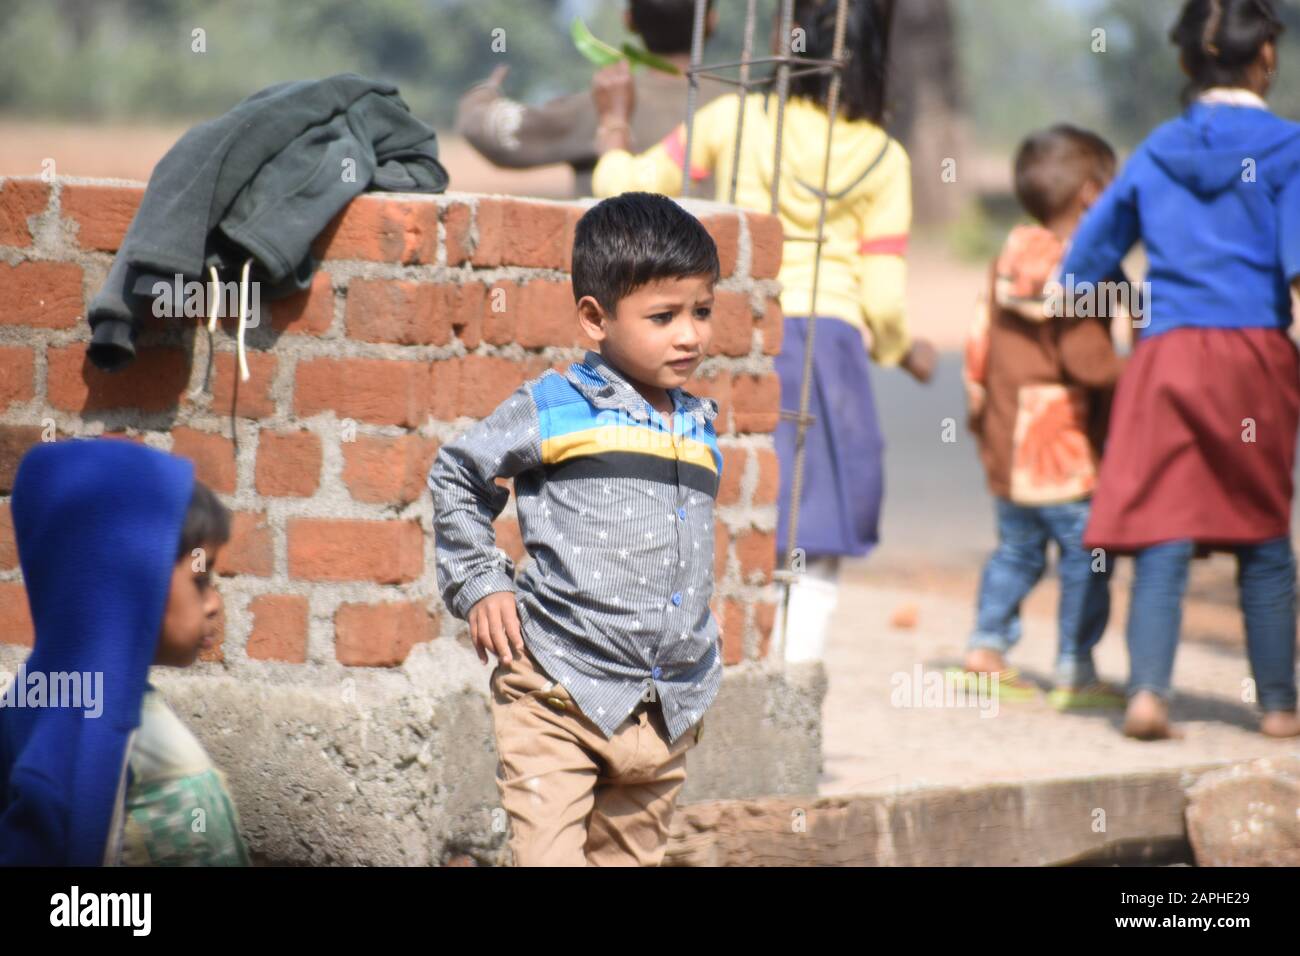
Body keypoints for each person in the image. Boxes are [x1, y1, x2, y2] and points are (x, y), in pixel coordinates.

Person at [590, 0, 935, 663]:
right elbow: (885, 300)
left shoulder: (734, 118)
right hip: (829, 351)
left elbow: (626, 188)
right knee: (816, 538)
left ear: (787, 43)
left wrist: (613, 123)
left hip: (738, 331)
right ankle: (790, 695)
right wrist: (898, 349)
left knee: (724, 513)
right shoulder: (883, 158)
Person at [429, 192, 723, 865]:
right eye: (664, 316)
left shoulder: (698, 425)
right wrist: (481, 582)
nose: (691, 334)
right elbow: (457, 475)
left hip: (666, 708)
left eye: (701, 311)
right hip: (557, 694)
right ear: (595, 318)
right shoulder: (556, 409)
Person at [1061, 0, 1300, 740]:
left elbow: (1083, 267)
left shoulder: (1158, 149)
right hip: (1253, 356)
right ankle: (1280, 708)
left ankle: (1148, 696)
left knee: (1163, 528)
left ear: (1185, 62)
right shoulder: (1289, 147)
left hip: (1166, 357)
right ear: (1264, 55)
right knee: (1262, 537)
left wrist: (1123, 306)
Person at [0, 438, 249, 865]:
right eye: (200, 578)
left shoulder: (35, 697)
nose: (213, 603)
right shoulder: (170, 776)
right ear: (131, 578)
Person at [957, 125, 1127, 710]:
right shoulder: (1086, 267)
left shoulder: (1010, 255)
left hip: (1007, 437)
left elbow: (979, 340)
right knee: (1088, 556)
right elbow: (1087, 362)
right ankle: (1076, 668)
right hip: (1062, 449)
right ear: (1089, 194)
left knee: (1016, 551)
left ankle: (985, 649)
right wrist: (1134, 376)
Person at [456, 0, 729, 197]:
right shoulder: (740, 108)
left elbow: (491, 132)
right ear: (712, 19)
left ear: (629, 20)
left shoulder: (606, 104)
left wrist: (485, 91)